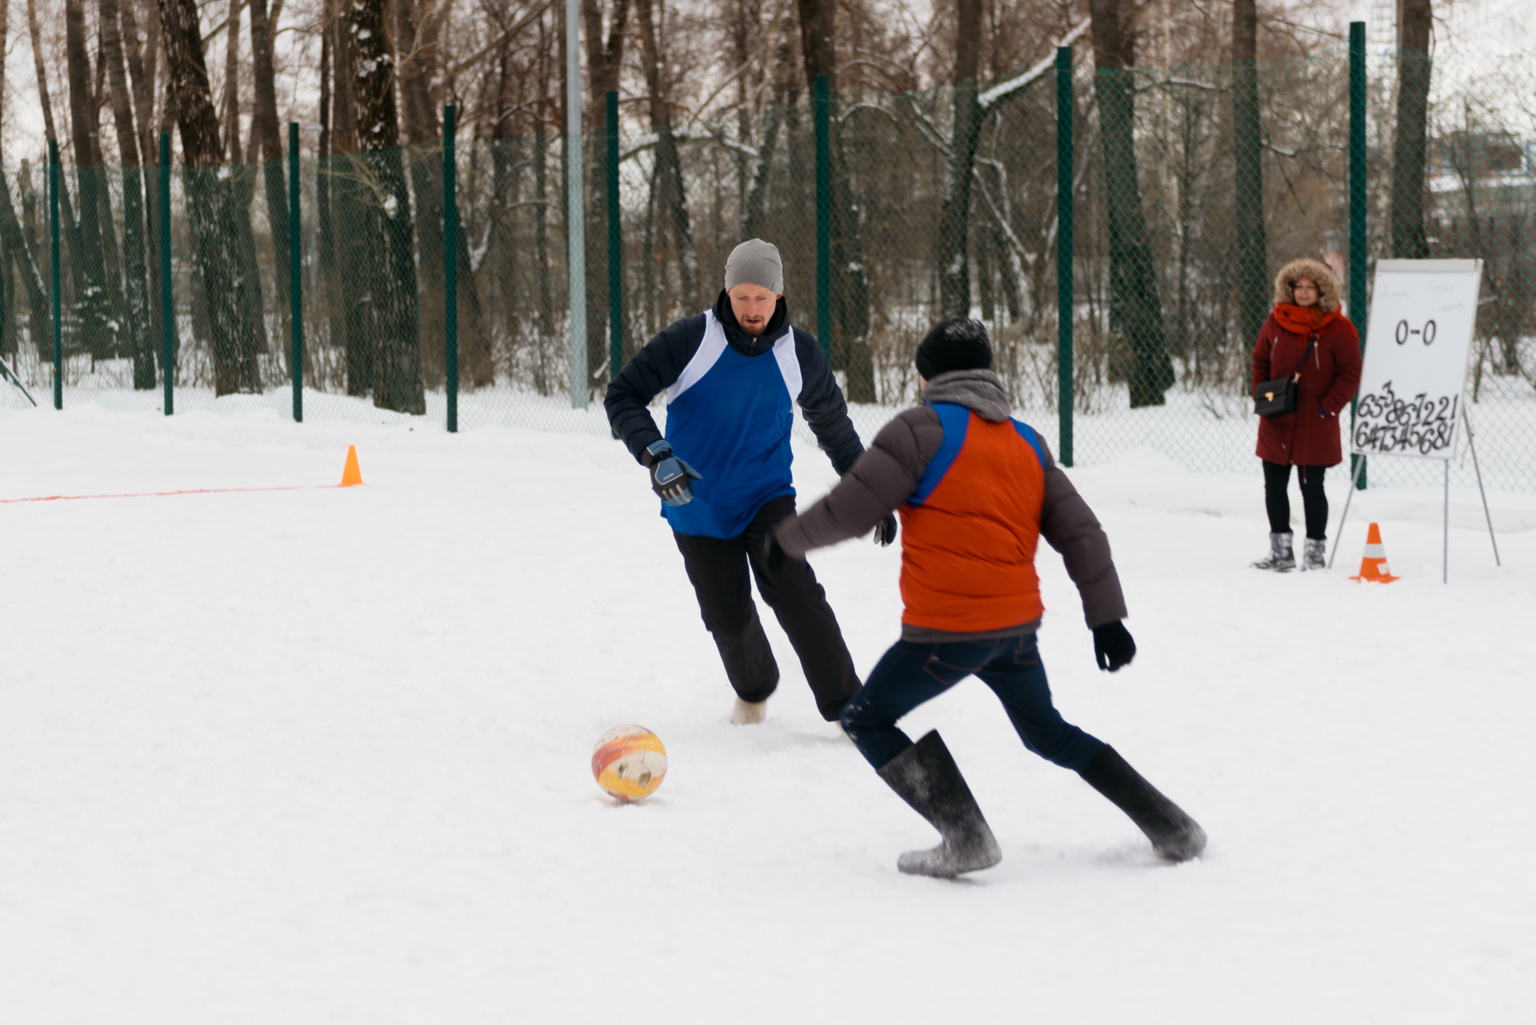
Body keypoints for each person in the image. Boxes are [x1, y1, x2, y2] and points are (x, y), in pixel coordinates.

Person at [766, 319, 1206, 878]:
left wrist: (786, 542)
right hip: (1015, 630)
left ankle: (964, 836)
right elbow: (1082, 533)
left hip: (947, 629)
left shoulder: (918, 430)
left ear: (924, 377)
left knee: (866, 719)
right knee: (1048, 732)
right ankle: (1172, 826)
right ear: (988, 376)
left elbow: (853, 508)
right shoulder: (1026, 440)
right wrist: (1108, 619)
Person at [605, 239, 894, 726]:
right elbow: (623, 395)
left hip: (766, 495)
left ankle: (851, 706)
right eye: (742, 296)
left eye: (762, 297)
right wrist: (656, 455)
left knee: (793, 586)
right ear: (727, 290)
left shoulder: (798, 353)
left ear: (779, 295)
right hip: (694, 501)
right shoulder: (691, 339)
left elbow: (835, 429)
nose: (752, 308)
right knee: (727, 615)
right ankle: (754, 690)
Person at [1251, 259, 1363, 571]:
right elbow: (1260, 359)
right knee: (1273, 486)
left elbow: (1350, 373)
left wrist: (1327, 406)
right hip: (1277, 418)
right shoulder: (1275, 321)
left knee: (1312, 487)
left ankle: (1314, 554)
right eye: (1297, 286)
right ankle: (1280, 553)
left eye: (1309, 287)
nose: (1302, 292)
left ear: (1321, 289)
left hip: (1316, 422)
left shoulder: (1339, 328)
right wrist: (1262, 396)